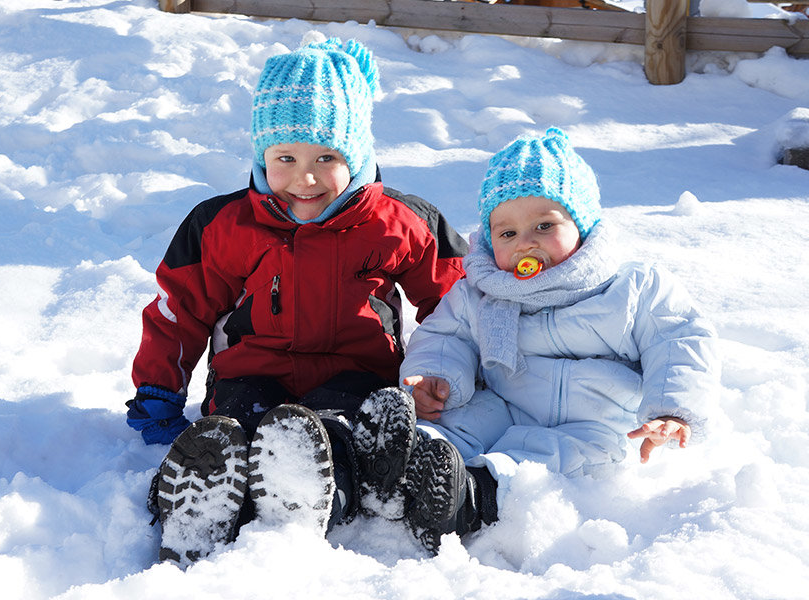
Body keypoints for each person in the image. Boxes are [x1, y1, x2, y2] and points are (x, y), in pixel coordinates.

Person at [125, 37, 469, 566]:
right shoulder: (222, 223)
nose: (304, 178)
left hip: (358, 374)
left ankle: (319, 498)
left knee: (333, 435)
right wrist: (158, 387)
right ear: (262, 155)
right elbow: (181, 310)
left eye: (326, 157)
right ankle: (197, 498)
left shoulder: (401, 221)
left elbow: (456, 305)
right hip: (251, 372)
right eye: (286, 157)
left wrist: (447, 374)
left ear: (356, 156)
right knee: (231, 432)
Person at [396, 127, 721, 553]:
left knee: (536, 452)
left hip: (595, 421)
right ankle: (410, 464)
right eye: (507, 233)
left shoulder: (633, 287)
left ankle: (475, 495)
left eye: (544, 225)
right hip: (507, 400)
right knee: (459, 423)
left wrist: (671, 411)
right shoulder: (484, 289)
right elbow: (446, 334)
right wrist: (436, 378)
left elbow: (680, 340)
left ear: (582, 225)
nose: (525, 243)